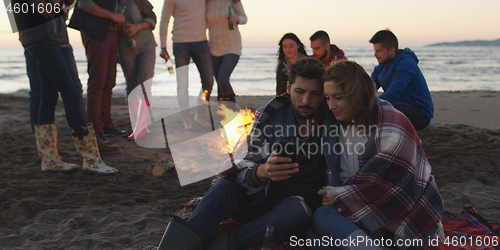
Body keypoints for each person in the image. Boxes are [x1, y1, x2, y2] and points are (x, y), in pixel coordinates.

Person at [148, 58, 344, 250]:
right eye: (299, 91)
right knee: (224, 187)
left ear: (324, 94)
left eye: (315, 94)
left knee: (297, 208)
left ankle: (215, 246)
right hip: (261, 198)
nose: (306, 101)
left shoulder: (337, 120)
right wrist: (262, 172)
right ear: (288, 87)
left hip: (295, 212)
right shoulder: (270, 116)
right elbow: (243, 165)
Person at [307, 61, 443, 249]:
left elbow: (400, 189)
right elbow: (298, 100)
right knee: (313, 237)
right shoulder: (337, 123)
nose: (331, 106)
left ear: (357, 94)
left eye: (338, 97)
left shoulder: (391, 123)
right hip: (362, 208)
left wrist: (340, 195)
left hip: (410, 217)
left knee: (323, 217)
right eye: (328, 98)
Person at [15, 0, 120, 175]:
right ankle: (91, 158)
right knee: (70, 92)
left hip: (57, 32)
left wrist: (64, 5)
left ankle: (49, 159)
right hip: (36, 31)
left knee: (52, 94)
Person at [69, 0, 128, 144]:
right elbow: (84, 3)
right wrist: (112, 15)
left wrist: (118, 15)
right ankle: (95, 128)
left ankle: (106, 125)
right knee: (98, 82)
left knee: (109, 82)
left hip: (111, 31)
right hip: (95, 30)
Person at [159, 0, 215, 129]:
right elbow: (164, 20)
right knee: (183, 84)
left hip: (201, 42)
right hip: (180, 43)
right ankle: (186, 120)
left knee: (208, 81)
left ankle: (199, 115)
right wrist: (163, 47)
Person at [370, 29, 434, 131]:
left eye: (378, 51)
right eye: (374, 50)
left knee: (381, 111)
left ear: (391, 50)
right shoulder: (380, 68)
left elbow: (393, 93)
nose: (375, 55)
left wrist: (370, 106)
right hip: (399, 106)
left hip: (420, 113)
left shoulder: (406, 63)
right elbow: (367, 89)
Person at [117, 0, 157, 141]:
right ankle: (139, 126)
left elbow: (152, 18)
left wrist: (137, 27)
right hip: (124, 46)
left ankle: (140, 127)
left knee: (145, 84)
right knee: (132, 86)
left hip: (146, 43)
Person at [206, 0, 247, 103]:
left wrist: (238, 19)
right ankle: (224, 110)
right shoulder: (205, 3)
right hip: (214, 46)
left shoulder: (232, 1)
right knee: (219, 83)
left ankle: (233, 105)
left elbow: (244, 18)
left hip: (232, 45)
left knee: (222, 78)